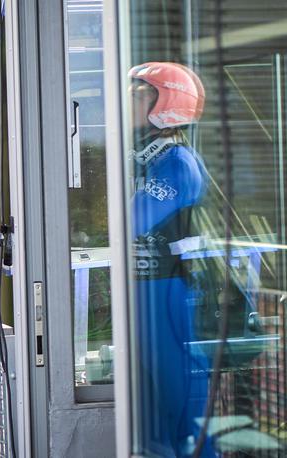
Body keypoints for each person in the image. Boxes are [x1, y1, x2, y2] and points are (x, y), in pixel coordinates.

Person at [129, 62, 217, 457]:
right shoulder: (150, 157)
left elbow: (130, 220)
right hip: (147, 288)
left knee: (175, 398)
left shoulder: (175, 162)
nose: (128, 102)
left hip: (167, 290)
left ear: (166, 103)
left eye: (139, 95)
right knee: (152, 409)